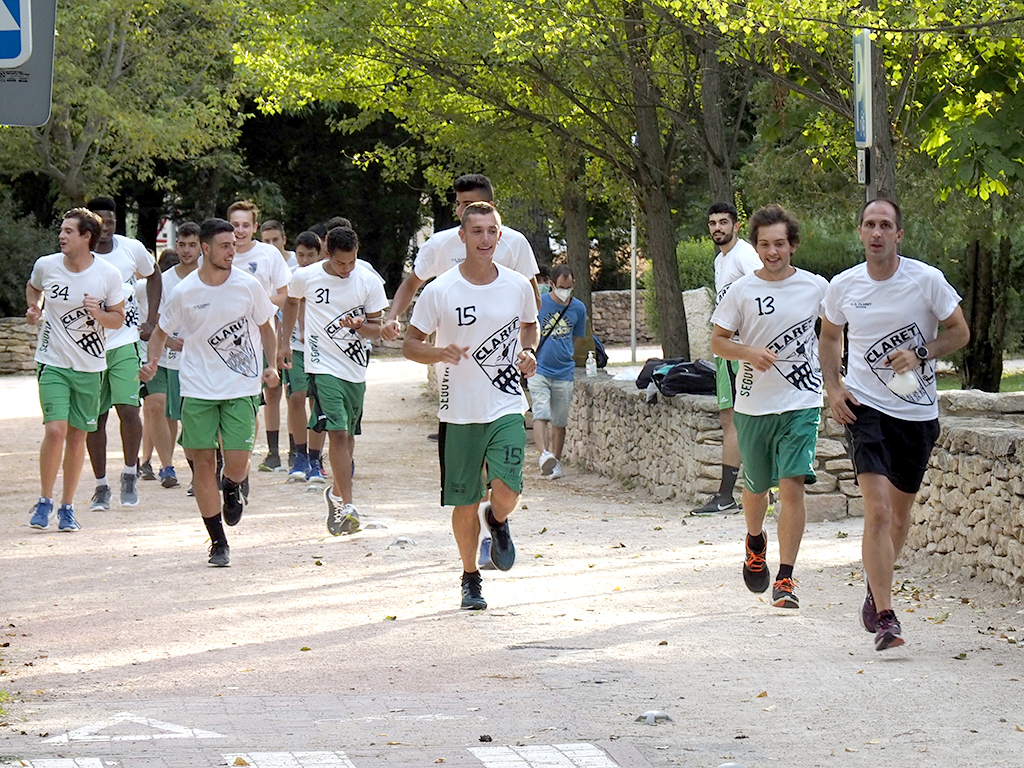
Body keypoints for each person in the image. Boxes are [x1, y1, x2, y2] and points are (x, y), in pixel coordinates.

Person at [820, 198, 969, 650]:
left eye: (886, 225)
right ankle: (886, 616)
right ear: (860, 232)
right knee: (879, 511)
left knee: (900, 518)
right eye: (870, 224)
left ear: (899, 234)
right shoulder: (844, 286)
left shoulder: (926, 280)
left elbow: (960, 332)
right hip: (865, 409)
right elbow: (829, 336)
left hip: (917, 414)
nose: (877, 232)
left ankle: (874, 585)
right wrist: (834, 387)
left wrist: (921, 352)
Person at [402, 202, 539, 611]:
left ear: (500, 236)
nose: (484, 239)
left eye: (491, 231)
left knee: (508, 490)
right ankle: (470, 578)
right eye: (476, 231)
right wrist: (439, 352)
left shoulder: (517, 285)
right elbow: (410, 344)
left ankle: (496, 521)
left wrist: (528, 350)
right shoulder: (440, 289)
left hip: (506, 404)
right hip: (458, 413)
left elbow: (529, 325)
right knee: (464, 502)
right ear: (461, 237)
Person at [140, 218, 279, 567]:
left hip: (240, 385)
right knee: (202, 462)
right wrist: (152, 363)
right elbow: (160, 331)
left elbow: (267, 326)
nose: (233, 251)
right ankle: (218, 542)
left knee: (236, 463)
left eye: (234, 245)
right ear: (205, 248)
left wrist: (272, 364)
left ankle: (231, 487)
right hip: (198, 388)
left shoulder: (248, 286)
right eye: (225, 246)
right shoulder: (185, 292)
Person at [710, 204, 828, 611]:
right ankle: (755, 541)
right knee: (757, 487)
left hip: (802, 401)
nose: (772, 251)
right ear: (756, 247)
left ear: (792, 244)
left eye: (780, 243)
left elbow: (833, 335)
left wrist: (836, 379)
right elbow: (718, 342)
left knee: (792, 484)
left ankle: (786, 578)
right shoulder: (742, 290)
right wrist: (748, 353)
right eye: (764, 244)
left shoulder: (816, 287)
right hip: (753, 404)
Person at [280, 226, 389, 535]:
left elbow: (375, 328)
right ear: (328, 253)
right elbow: (291, 301)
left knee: (349, 435)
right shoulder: (307, 276)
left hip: (354, 368)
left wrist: (361, 326)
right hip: (321, 365)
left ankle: (337, 495)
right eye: (341, 263)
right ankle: (349, 505)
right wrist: (284, 342)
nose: (347, 269)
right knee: (337, 432)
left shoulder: (367, 280)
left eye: (352, 262)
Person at [26, 208, 126, 531]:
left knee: (77, 436)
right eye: (62, 229)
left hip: (89, 367)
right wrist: (34, 307)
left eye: (69, 231)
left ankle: (67, 506)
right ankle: (44, 500)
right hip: (52, 361)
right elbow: (34, 287)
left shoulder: (108, 275)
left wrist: (99, 314)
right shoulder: (47, 265)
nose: (61, 235)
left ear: (86, 237)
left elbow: (118, 318)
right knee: (55, 431)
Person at [381, 173, 541, 344]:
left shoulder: (515, 243)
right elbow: (411, 283)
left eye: (468, 204)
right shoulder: (439, 243)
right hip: (449, 351)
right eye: (458, 204)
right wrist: (392, 317)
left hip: (500, 352)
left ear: (489, 206)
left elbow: (533, 300)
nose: (461, 211)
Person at [84, 197, 162, 510]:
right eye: (99, 221)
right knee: (95, 418)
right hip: (88, 349)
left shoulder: (131, 249)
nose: (105, 228)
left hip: (125, 342)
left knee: (129, 410)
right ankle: (101, 485)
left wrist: (152, 319)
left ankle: (130, 473)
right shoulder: (79, 254)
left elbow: (154, 275)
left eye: (111, 221)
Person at [691, 201, 762, 515]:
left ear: (736, 225)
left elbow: (763, 288)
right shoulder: (722, 259)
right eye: (712, 223)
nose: (717, 228)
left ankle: (730, 494)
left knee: (736, 418)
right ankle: (734, 493)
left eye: (723, 222)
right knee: (729, 417)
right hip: (727, 349)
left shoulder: (745, 254)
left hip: (741, 349)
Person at [226, 200, 290, 472]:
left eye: (245, 225)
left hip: (261, 333)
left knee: (265, 394)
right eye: (234, 225)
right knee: (228, 398)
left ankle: (268, 453)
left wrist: (258, 303)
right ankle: (229, 461)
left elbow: (285, 295)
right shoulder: (216, 254)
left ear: (254, 227)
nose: (239, 231)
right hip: (225, 340)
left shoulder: (267, 255)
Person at [146, 223, 202, 492]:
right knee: (158, 408)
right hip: (165, 358)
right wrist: (167, 340)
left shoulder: (207, 278)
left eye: (192, 245)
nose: (186, 250)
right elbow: (153, 318)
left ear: (202, 247)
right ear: (175, 245)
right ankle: (166, 466)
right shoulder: (165, 280)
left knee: (190, 416)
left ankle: (198, 472)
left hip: (196, 361)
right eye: (182, 244)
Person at [282, 230, 328, 482]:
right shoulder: (292, 277)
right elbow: (288, 306)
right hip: (297, 348)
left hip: (321, 348)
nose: (305, 260)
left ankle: (315, 456)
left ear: (320, 254)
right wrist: (283, 342)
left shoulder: (325, 278)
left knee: (317, 402)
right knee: (296, 397)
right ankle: (298, 453)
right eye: (300, 255)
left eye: (310, 255)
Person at [533, 264, 587, 480]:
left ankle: (555, 460)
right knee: (541, 412)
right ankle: (543, 455)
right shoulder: (540, 304)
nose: (565, 291)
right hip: (540, 368)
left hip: (564, 371)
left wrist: (566, 353)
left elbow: (576, 337)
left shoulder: (578, 309)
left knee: (559, 420)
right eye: (562, 287)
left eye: (569, 287)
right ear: (552, 285)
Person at [138, 247, 180, 487]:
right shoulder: (143, 289)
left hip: (181, 359)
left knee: (171, 414)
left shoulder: (191, 285)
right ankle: (163, 465)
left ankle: (166, 460)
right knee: (156, 405)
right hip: (152, 356)